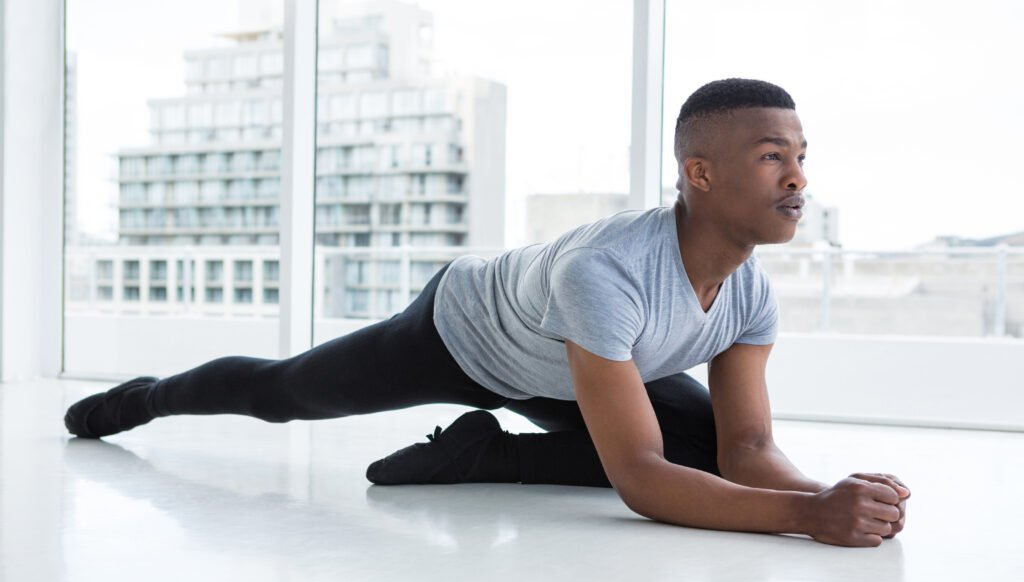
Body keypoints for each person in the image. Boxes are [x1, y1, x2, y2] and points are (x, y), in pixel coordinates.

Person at [65, 78, 910, 548]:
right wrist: (809, 518)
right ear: (700, 174)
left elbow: (747, 449)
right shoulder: (607, 271)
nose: (798, 178)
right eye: (771, 156)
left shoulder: (752, 294)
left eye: (801, 156)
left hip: (574, 371)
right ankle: (146, 396)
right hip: (464, 334)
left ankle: (483, 453)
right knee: (284, 392)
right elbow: (639, 479)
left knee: (706, 454)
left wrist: (832, 494)